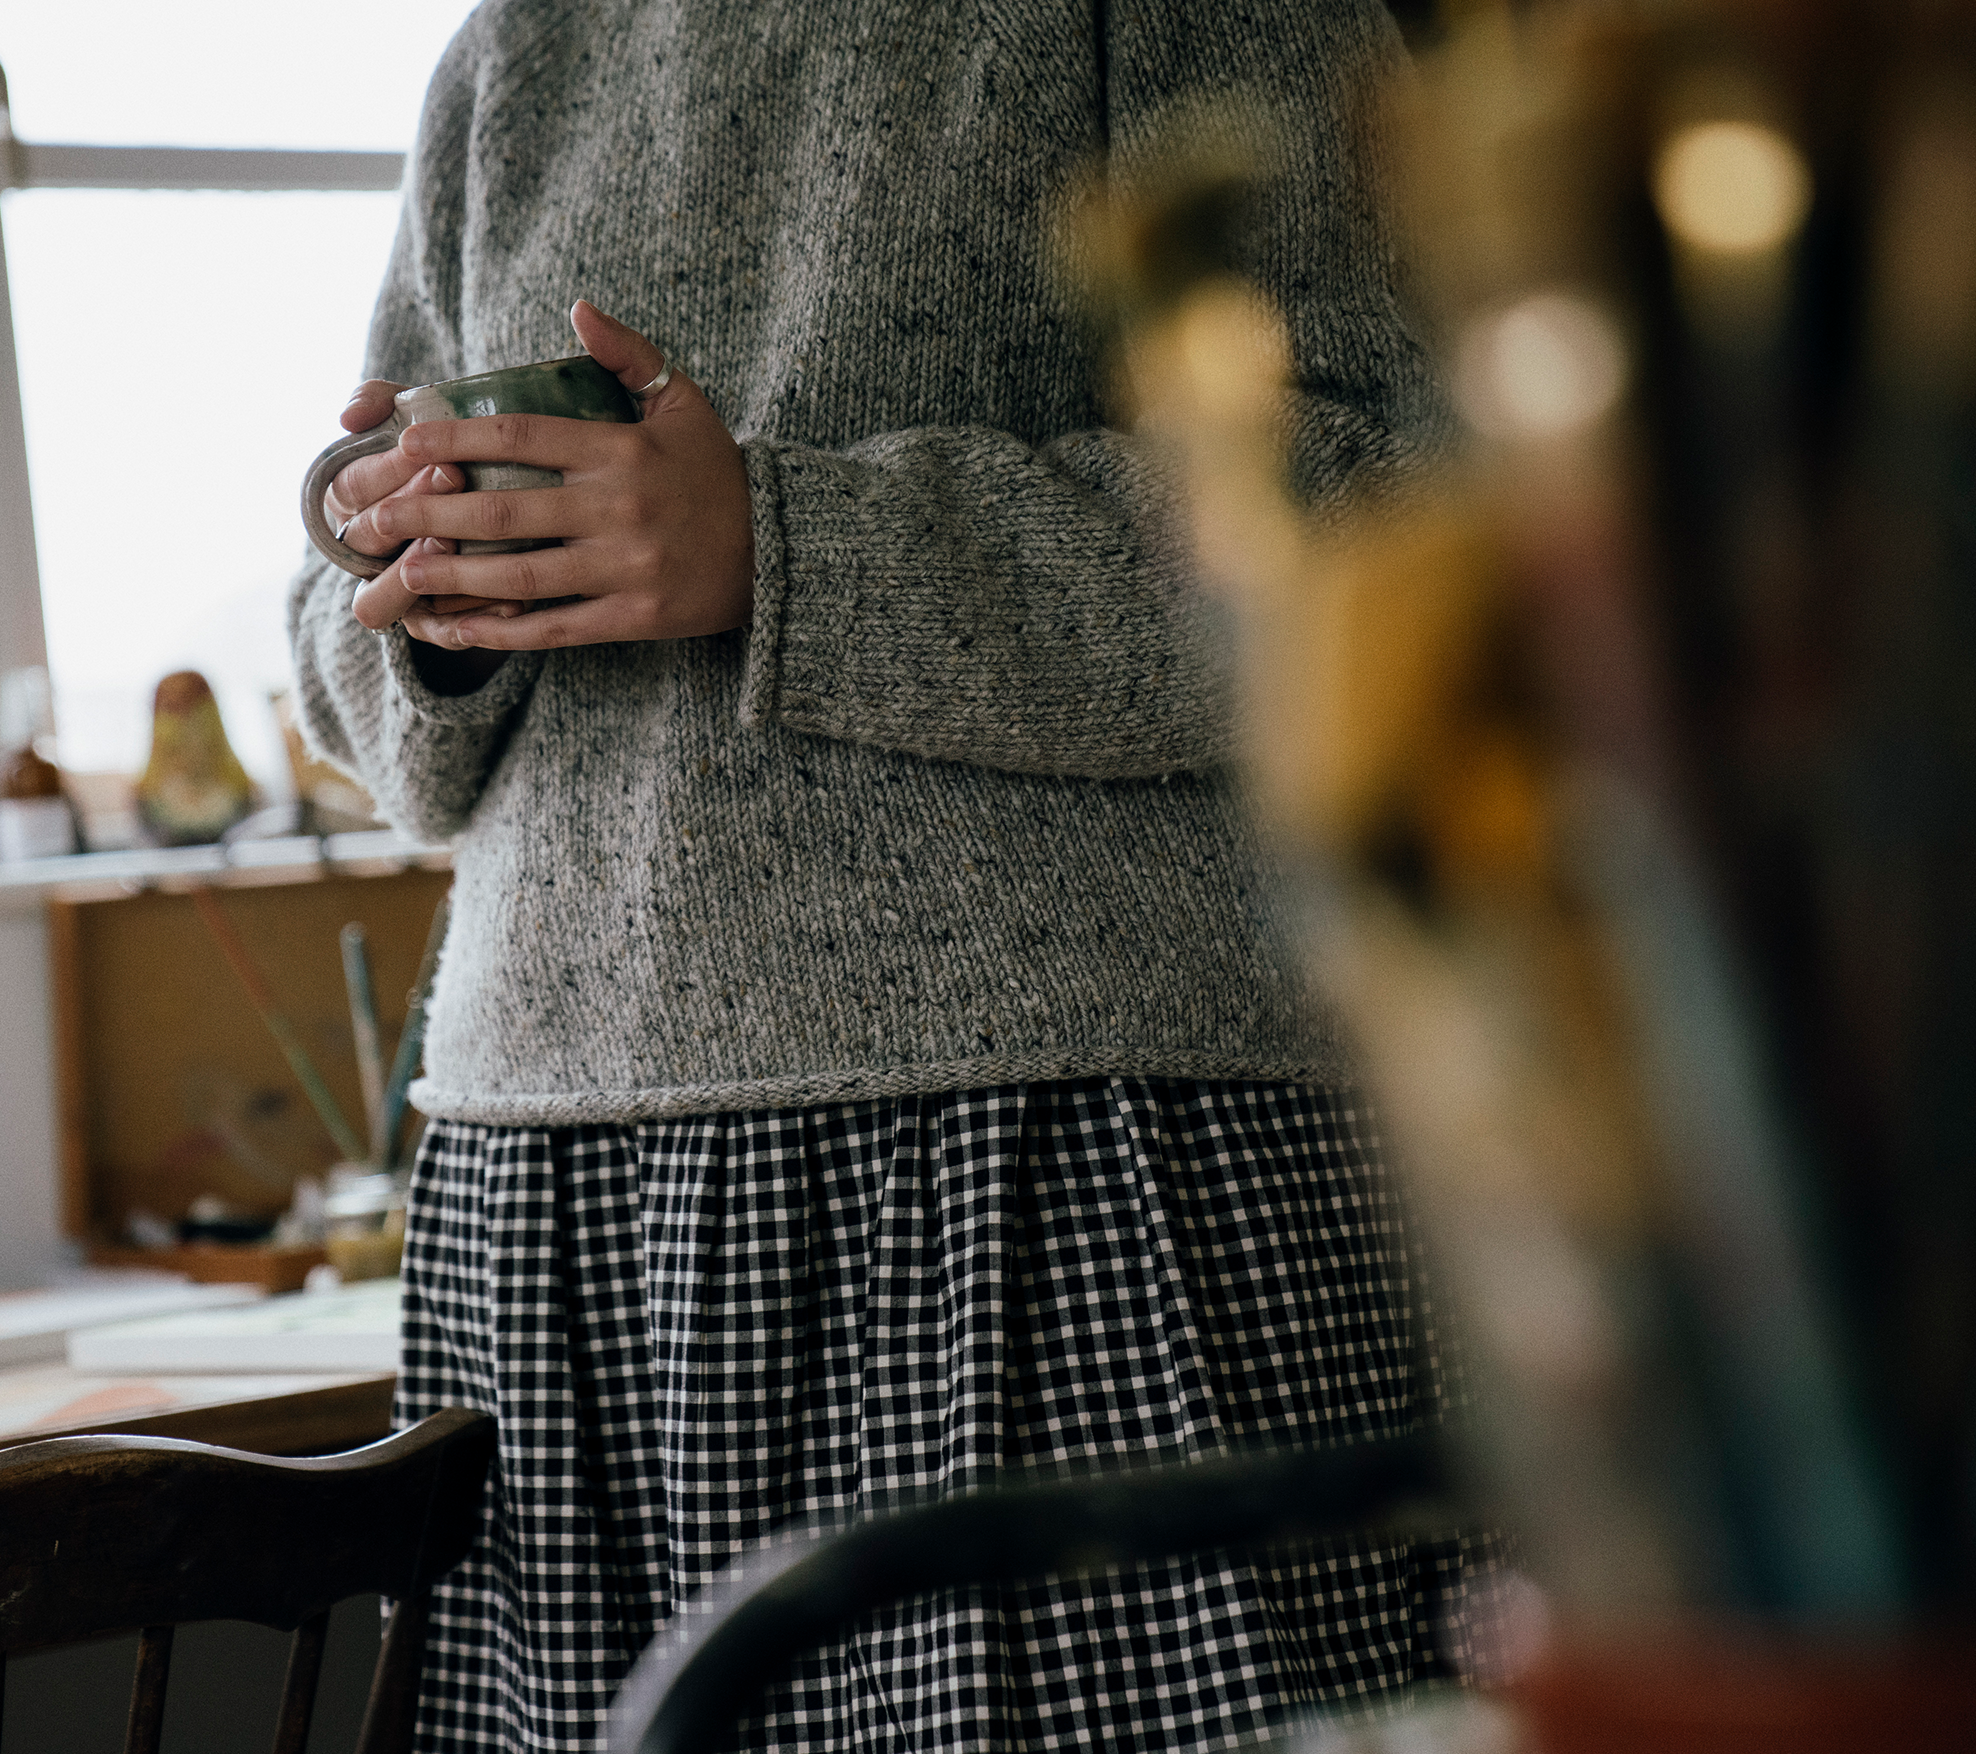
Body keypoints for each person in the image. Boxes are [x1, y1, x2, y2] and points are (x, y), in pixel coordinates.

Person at [289, 3, 1474, 1748]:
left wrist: (782, 539)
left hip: (1066, 1152)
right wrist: (428, 587)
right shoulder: (514, 51)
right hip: (547, 1196)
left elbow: (1395, 509)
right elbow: (349, 650)